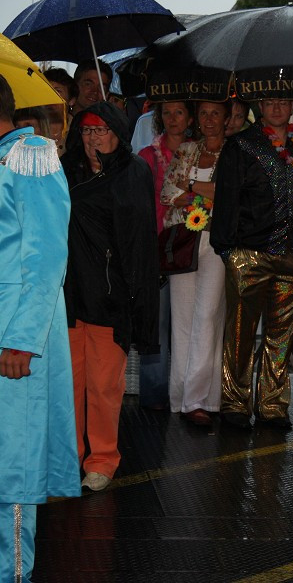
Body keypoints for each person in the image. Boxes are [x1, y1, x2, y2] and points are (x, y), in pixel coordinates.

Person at [0, 73, 81, 583]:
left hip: (13, 333)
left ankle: (13, 573)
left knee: (14, 461)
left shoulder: (30, 155)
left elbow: (47, 255)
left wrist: (21, 341)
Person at [62, 101, 159, 492]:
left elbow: (139, 246)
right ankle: (65, 458)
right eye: (86, 130)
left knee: (104, 387)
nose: (93, 137)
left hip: (109, 298)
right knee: (67, 386)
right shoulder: (63, 170)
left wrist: (139, 305)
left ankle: (102, 459)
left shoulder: (134, 173)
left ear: (118, 133)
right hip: (66, 297)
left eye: (101, 130)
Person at [211, 98, 293, 430]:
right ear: (259, 105)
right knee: (240, 334)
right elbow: (226, 198)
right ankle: (235, 404)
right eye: (269, 101)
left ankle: (273, 405)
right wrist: (228, 250)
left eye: (283, 101)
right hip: (249, 253)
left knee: (281, 338)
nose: (276, 107)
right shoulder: (241, 146)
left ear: (292, 107)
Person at [160, 101, 231, 426]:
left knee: (207, 317)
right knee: (183, 319)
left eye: (216, 113)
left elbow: (230, 196)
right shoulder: (187, 149)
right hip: (184, 241)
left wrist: (189, 188)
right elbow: (166, 193)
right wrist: (205, 193)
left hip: (216, 242)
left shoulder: (235, 152)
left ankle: (198, 400)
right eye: (203, 113)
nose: (209, 119)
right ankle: (181, 397)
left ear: (227, 118)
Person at [137, 101, 194, 411]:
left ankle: (187, 394)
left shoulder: (201, 154)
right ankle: (153, 398)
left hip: (189, 250)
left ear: (190, 117)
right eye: (167, 113)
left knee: (187, 324)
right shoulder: (147, 157)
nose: (173, 119)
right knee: (156, 326)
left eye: (180, 112)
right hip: (156, 250)